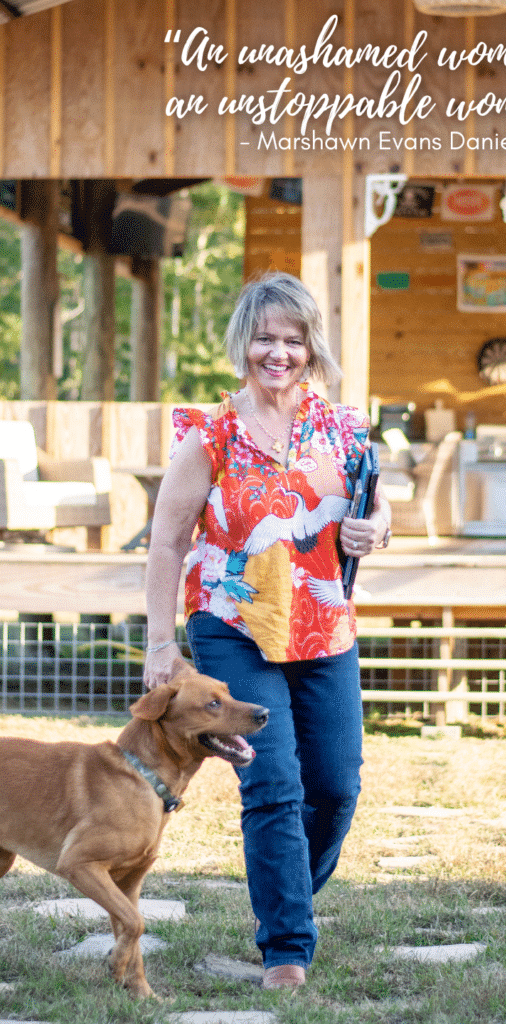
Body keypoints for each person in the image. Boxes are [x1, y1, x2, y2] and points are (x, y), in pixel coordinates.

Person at [143, 272, 391, 991]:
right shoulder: (211, 433)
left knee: (337, 784)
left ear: (312, 347)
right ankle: (287, 948)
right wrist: (163, 643)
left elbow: (377, 512)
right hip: (232, 624)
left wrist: (374, 530)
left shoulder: (344, 429)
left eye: (292, 339)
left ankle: (289, 897)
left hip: (324, 625)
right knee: (274, 782)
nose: (277, 352)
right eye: (264, 337)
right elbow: (166, 542)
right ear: (243, 344)